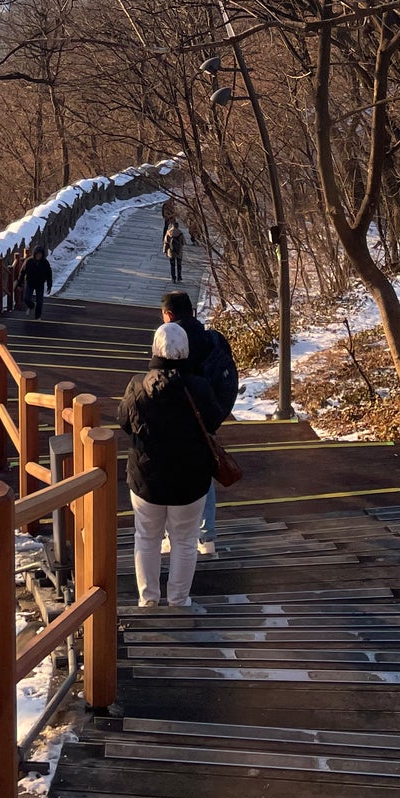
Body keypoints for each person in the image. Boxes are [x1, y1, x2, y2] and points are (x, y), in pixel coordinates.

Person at [117, 322, 225, 608]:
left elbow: (123, 421)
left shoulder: (137, 384)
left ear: (155, 348)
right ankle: (179, 601)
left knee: (146, 538)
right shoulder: (199, 387)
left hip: (146, 480)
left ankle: (148, 600)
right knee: (185, 541)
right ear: (185, 351)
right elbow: (214, 421)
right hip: (190, 480)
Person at [161, 291, 239, 557]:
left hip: (178, 418)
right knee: (204, 475)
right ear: (192, 311)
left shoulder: (171, 338)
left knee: (171, 476)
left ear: (168, 314)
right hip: (207, 416)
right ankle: (207, 539)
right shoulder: (209, 338)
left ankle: (173, 536)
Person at [20, 240, 54, 320]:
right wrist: (19, 282)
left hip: (40, 283)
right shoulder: (29, 261)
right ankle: (31, 306)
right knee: (26, 298)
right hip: (30, 282)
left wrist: (49, 285)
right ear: (34, 254)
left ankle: (37, 317)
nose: (39, 256)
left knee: (39, 301)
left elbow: (49, 274)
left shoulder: (45, 263)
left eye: (40, 254)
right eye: (37, 254)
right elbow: (22, 272)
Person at [162, 212, 187, 284]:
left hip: (171, 251)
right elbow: (183, 242)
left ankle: (173, 278)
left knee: (172, 265)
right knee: (179, 265)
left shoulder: (168, 232)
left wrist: (165, 251)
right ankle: (179, 277)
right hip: (179, 251)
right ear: (177, 226)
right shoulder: (180, 233)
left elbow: (166, 242)